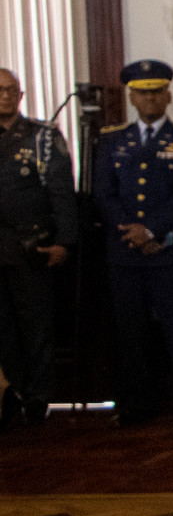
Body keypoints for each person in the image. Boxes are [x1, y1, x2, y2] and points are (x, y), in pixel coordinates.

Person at [93, 61, 173, 428]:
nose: (149, 98)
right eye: (142, 92)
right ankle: (135, 403)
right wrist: (132, 232)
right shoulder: (112, 139)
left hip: (172, 253)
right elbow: (103, 193)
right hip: (126, 253)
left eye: (156, 91)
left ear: (168, 95)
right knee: (131, 331)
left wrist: (152, 230)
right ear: (131, 97)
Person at [0, 67, 79, 429]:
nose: (4, 95)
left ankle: (37, 397)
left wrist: (64, 240)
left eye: (10, 90)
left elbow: (62, 193)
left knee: (36, 327)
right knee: (4, 329)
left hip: (30, 248)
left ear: (20, 96)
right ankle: (11, 393)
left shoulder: (43, 137)